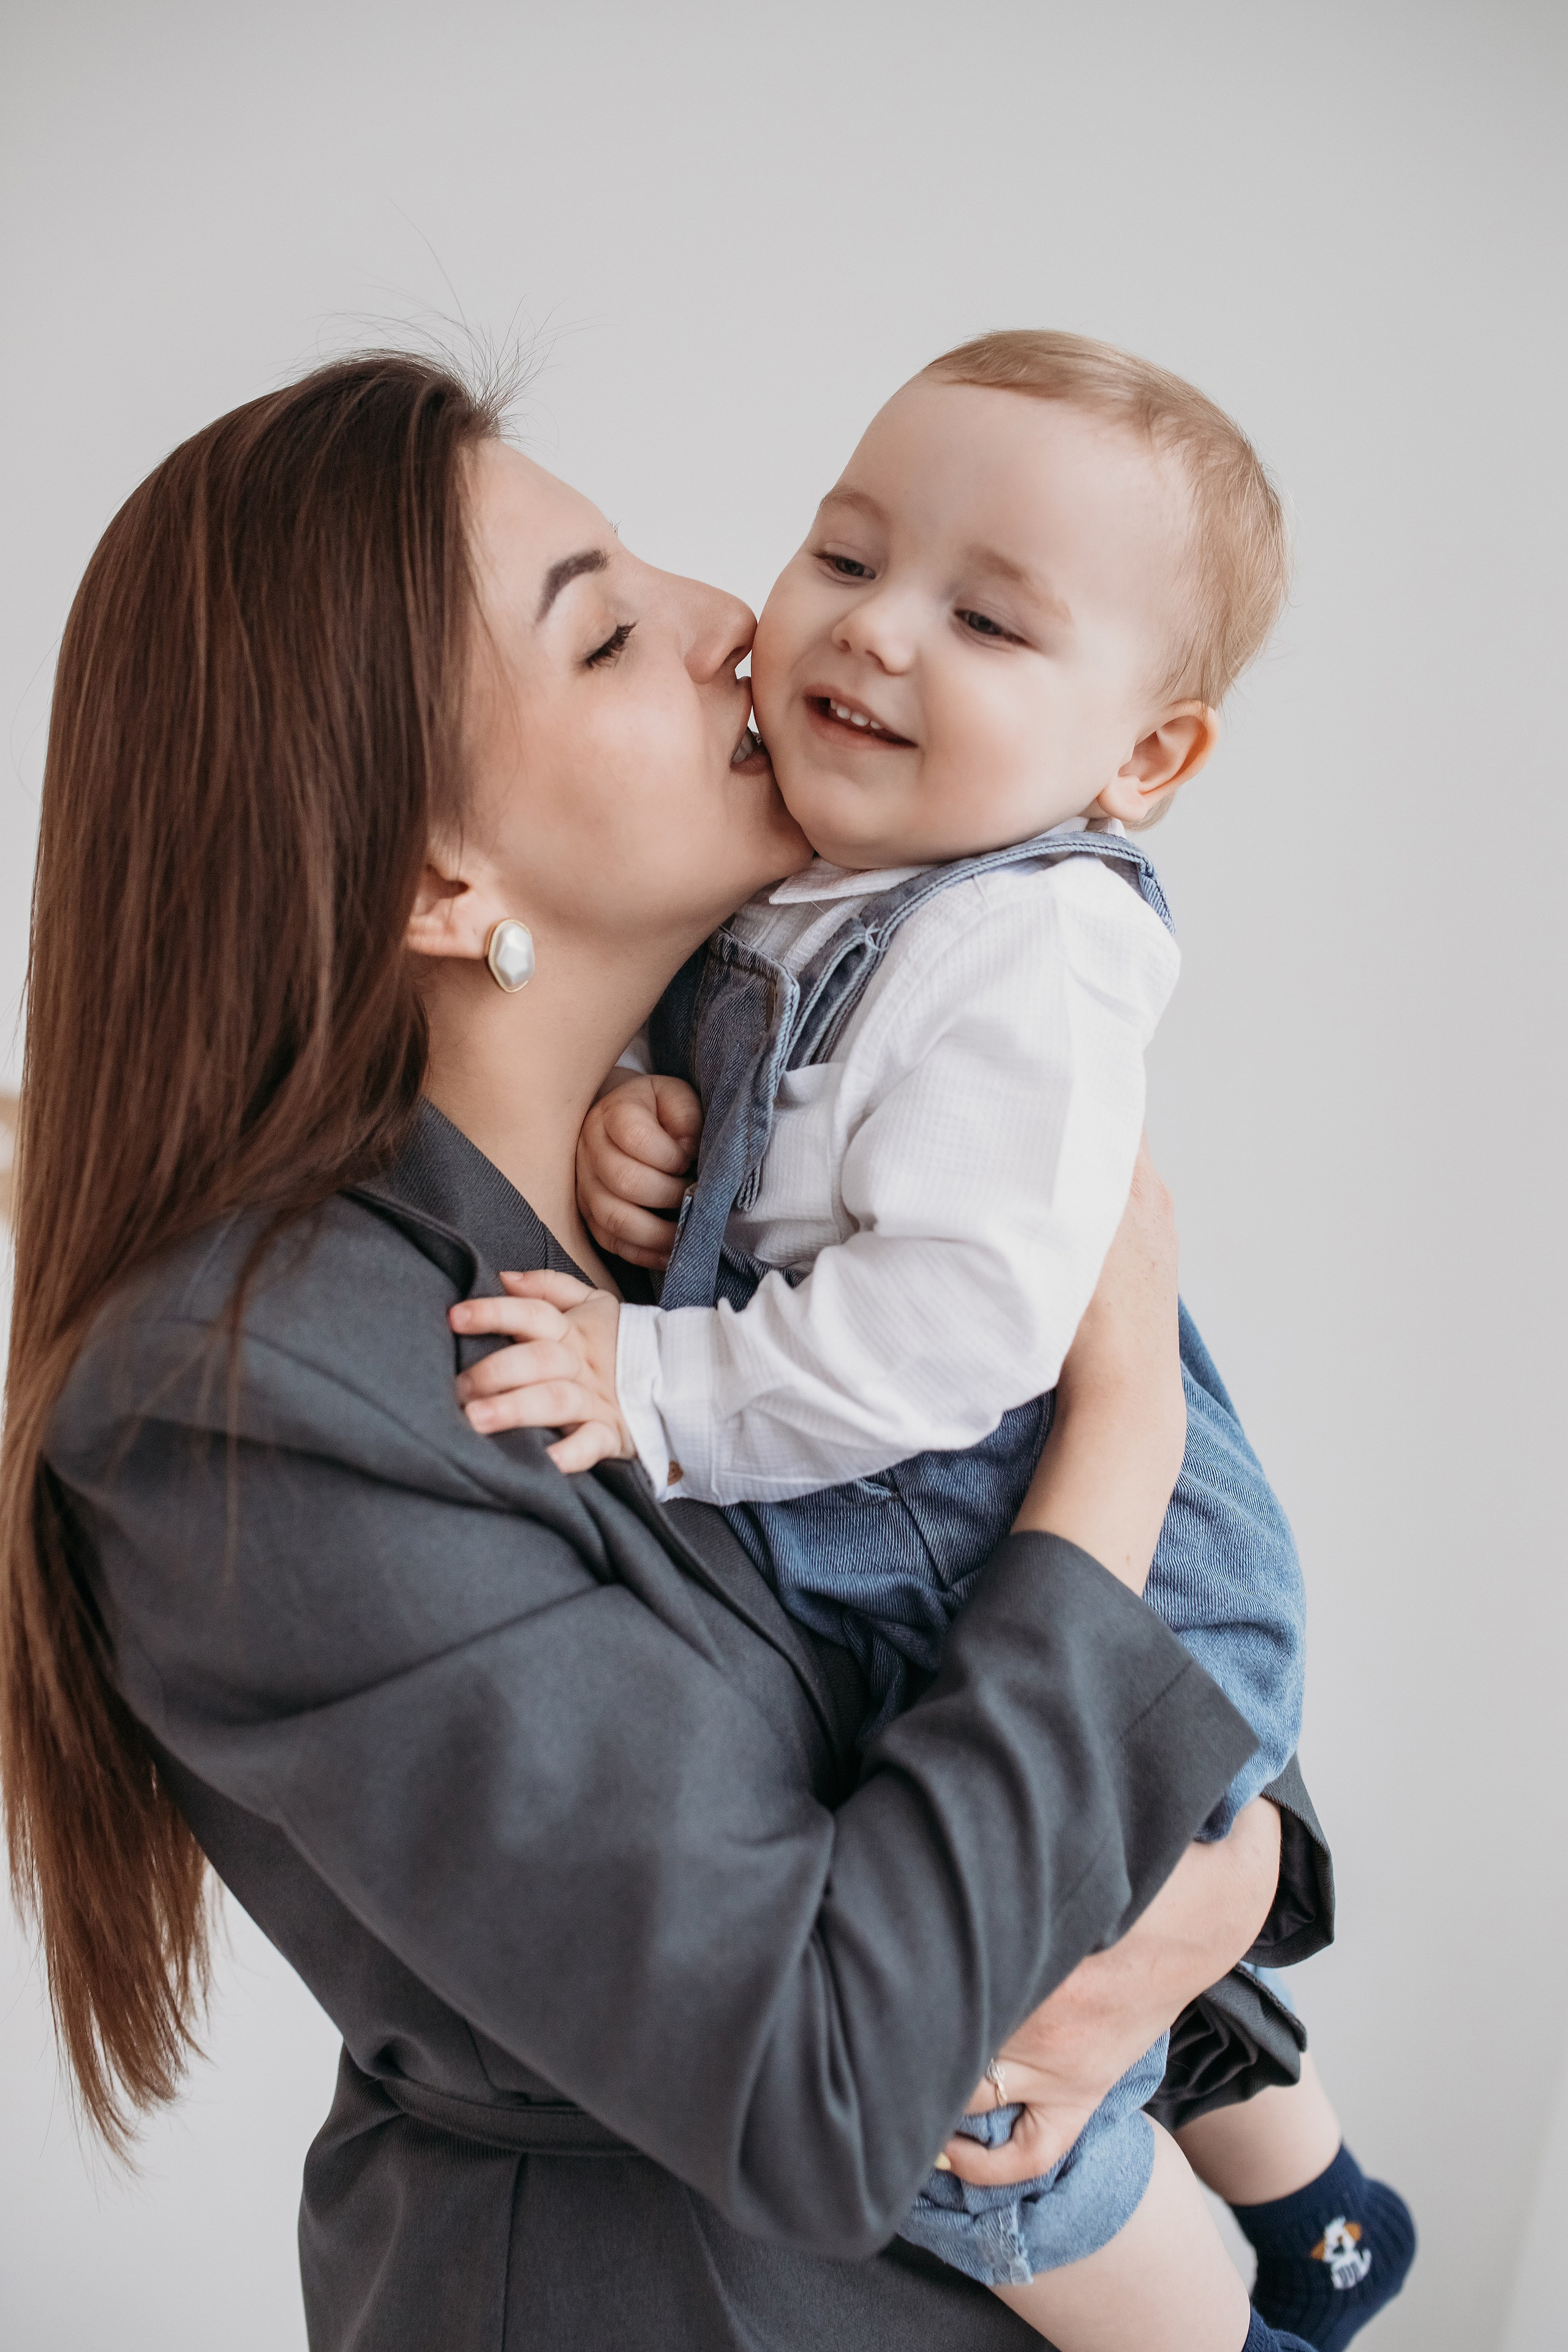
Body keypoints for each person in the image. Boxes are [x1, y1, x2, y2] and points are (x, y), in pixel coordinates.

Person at [2, 351, 1326, 2352]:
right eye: (607, 628)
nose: (738, 624)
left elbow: (1155, 1627)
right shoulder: (248, 1400)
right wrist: (1124, 1419)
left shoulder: (792, 1125)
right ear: (439, 878)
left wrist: (1242, 1874)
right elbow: (822, 2071)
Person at [459, 333, 1412, 2348]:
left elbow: (951, 1334)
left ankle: (1253, 2310)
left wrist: (653, 1376)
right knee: (1107, 1920)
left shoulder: (1027, 943)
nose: (873, 629)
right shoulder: (837, 889)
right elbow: (796, 1157)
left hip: (1067, 1554)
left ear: (1143, 763)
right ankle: (1320, 2186)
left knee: (973, 2097)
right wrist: (653, 1124)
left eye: (986, 619)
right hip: (986, 1546)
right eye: (847, 551)